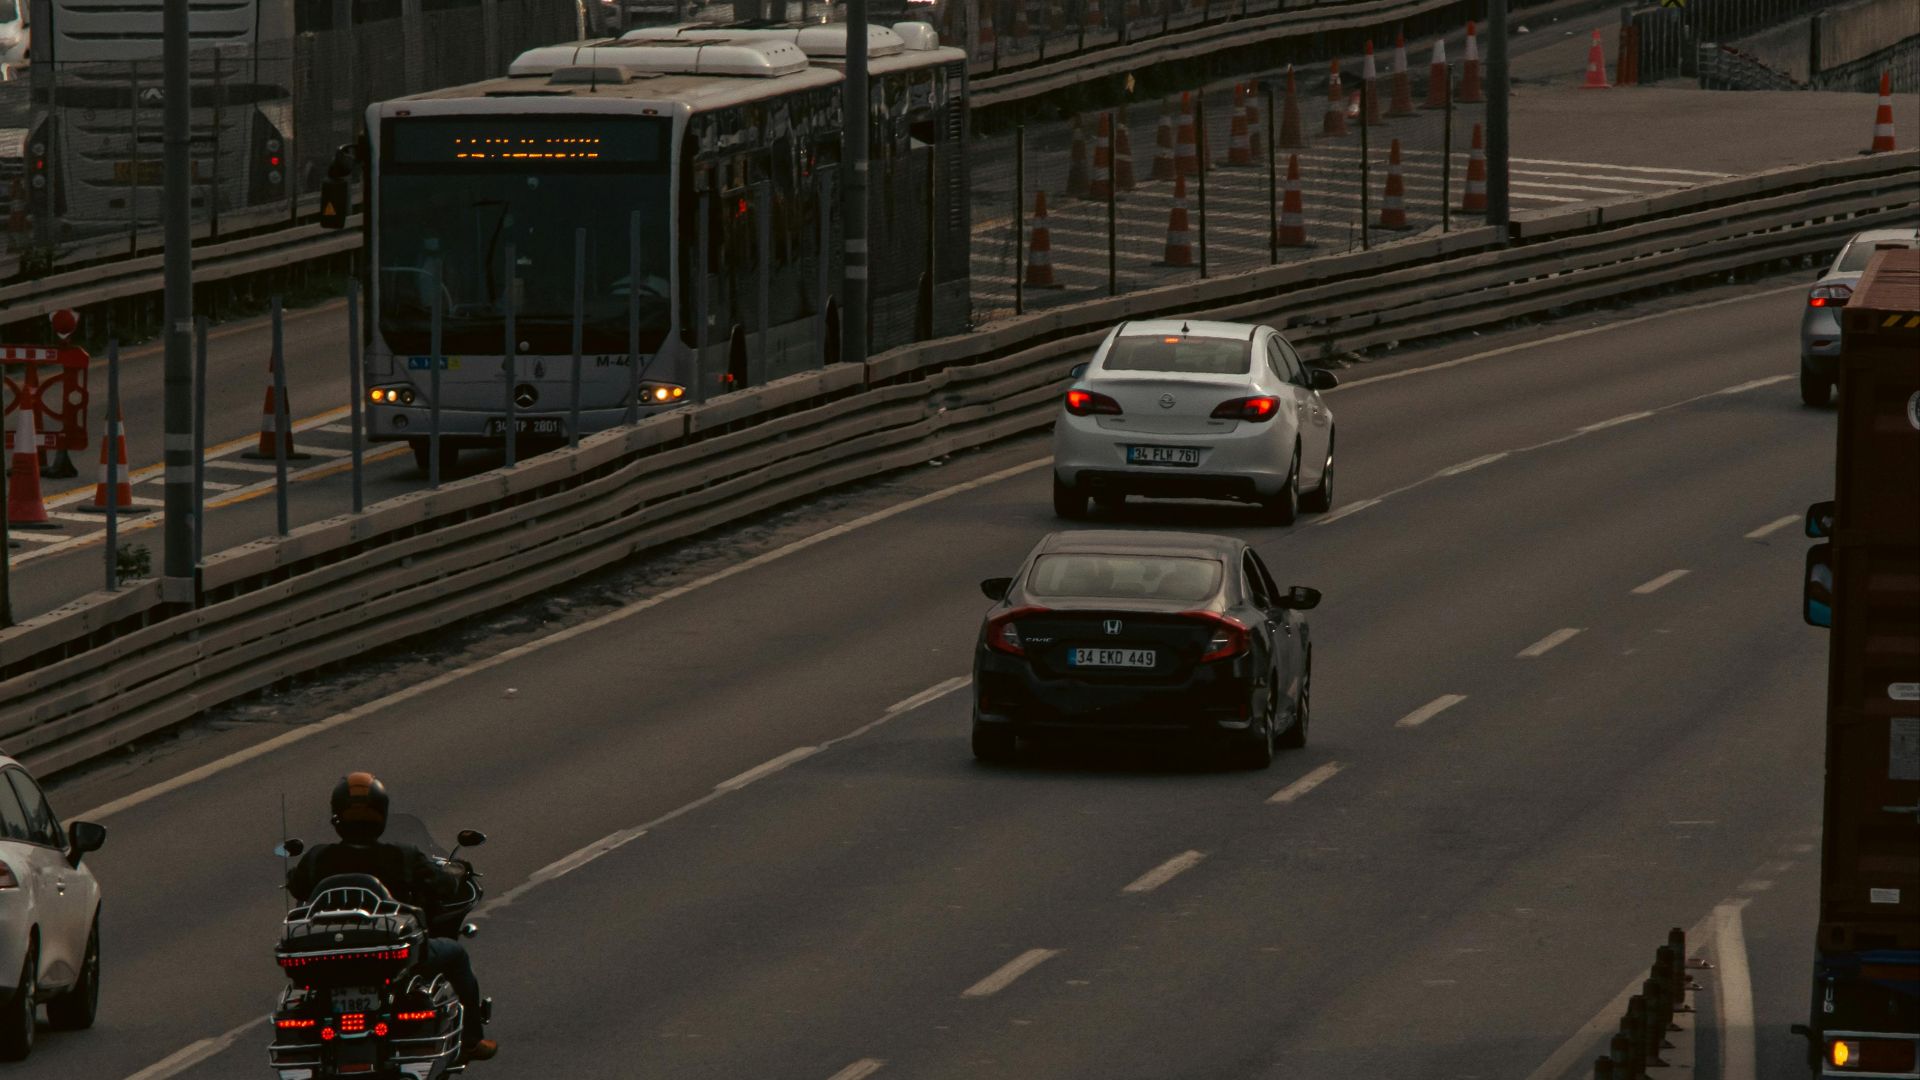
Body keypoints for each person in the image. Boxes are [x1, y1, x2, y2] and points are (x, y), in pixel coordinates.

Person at [286, 772, 497, 1063]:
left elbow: (296, 886)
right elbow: (444, 885)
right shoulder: (402, 857)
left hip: (329, 961)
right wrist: (457, 873)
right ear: (382, 814)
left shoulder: (317, 859)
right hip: (390, 958)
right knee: (456, 955)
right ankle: (472, 1041)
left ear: (337, 817)